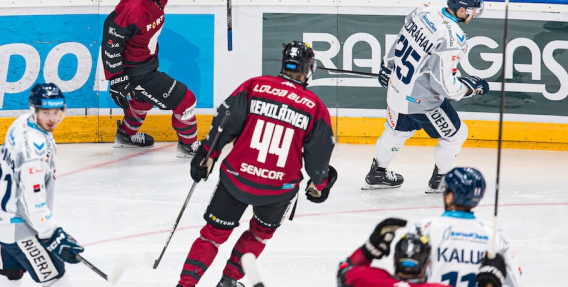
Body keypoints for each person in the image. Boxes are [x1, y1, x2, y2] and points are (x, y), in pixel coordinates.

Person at [176, 41, 337, 287]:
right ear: (308, 69)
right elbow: (319, 153)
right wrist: (320, 183)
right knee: (259, 234)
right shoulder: (315, 106)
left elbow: (224, 124)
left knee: (213, 235)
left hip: (236, 177)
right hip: (278, 190)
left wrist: (206, 155)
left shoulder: (255, 86)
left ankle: (185, 284)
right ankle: (229, 281)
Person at [101, 0, 237, 156]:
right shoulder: (134, 7)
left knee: (142, 101)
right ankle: (188, 145)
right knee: (186, 101)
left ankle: (126, 135)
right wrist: (117, 79)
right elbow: (112, 40)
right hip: (136, 72)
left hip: (146, 63)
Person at [364, 0, 490, 191]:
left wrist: (387, 65)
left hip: (396, 89)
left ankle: (378, 173)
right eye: (472, 10)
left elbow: (400, 38)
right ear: (461, 9)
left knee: (396, 132)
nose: (474, 14)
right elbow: (443, 86)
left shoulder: (423, 11)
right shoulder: (452, 37)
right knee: (456, 134)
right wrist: (469, 88)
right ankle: (441, 180)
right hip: (422, 102)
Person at [0, 83, 85, 286]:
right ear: (35, 110)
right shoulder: (33, 152)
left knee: (8, 277)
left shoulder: (21, 123)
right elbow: (33, 200)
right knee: (58, 280)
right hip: (20, 228)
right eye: (45, 112)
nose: (52, 119)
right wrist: (51, 234)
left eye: (56, 112)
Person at [409, 167, 522, 286]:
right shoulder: (495, 237)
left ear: (450, 197)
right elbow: (515, 282)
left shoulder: (425, 227)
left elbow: (405, 276)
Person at [338, 217, 508, 287]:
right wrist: (490, 282)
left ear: (395, 260)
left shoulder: (369, 279)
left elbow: (344, 271)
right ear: (427, 263)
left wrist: (369, 250)